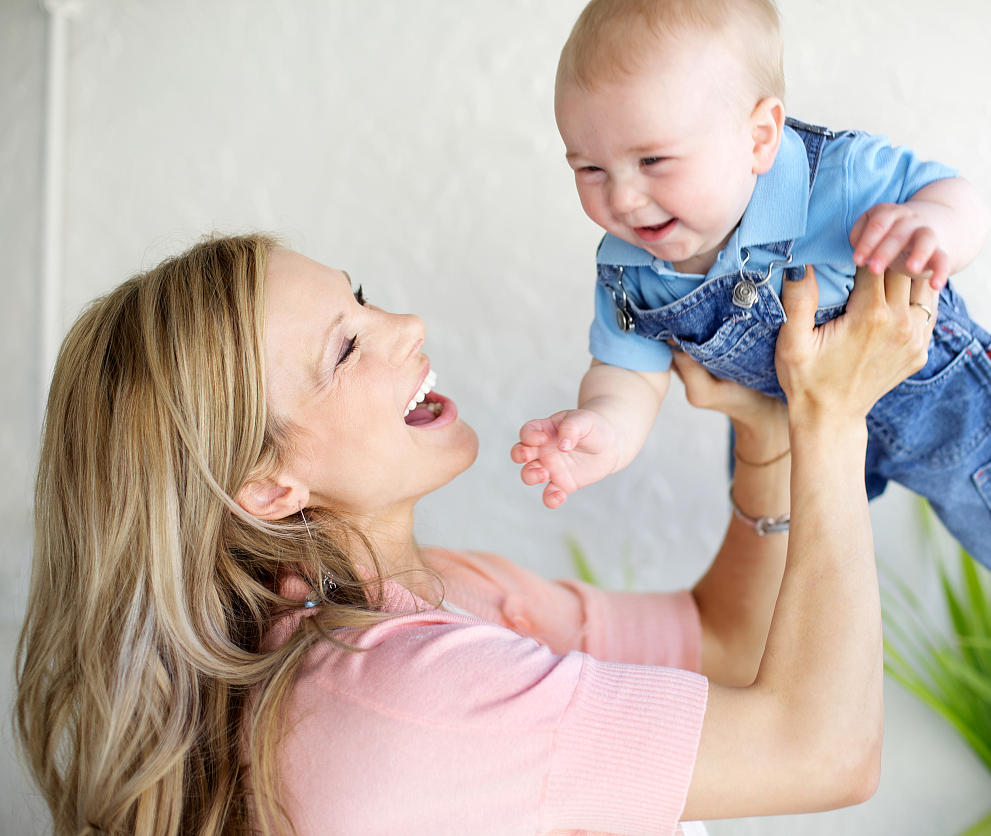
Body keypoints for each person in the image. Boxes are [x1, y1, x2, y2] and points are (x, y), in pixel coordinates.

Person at [16, 233, 933, 835]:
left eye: (362, 298)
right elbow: (825, 753)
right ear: (266, 486)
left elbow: (722, 642)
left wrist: (768, 439)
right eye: (346, 347)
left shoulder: (430, 599)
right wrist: (833, 420)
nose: (405, 326)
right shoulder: (407, 691)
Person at [513, 0, 991, 633]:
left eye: (652, 160)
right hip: (790, 416)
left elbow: (961, 199)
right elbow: (627, 370)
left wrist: (933, 224)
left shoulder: (841, 179)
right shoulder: (631, 268)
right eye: (590, 168)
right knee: (782, 555)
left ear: (759, 138)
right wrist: (606, 429)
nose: (624, 198)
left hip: (935, 397)